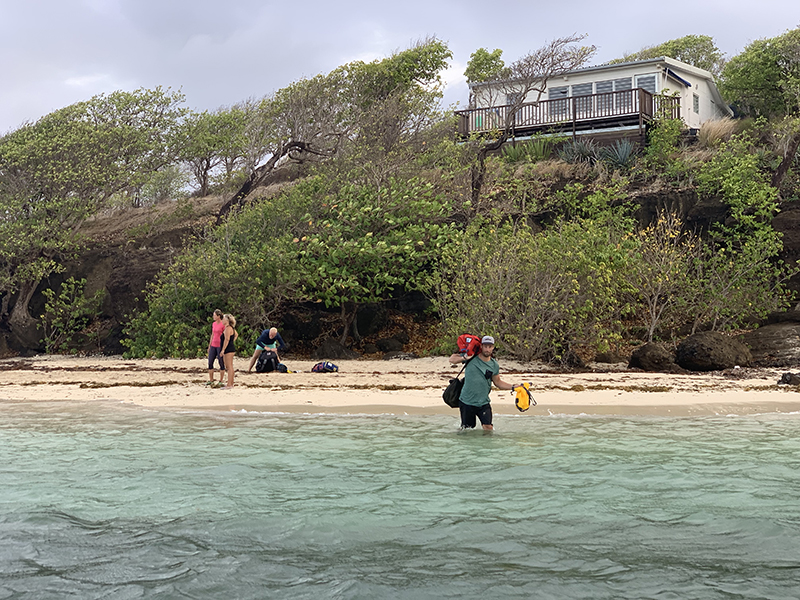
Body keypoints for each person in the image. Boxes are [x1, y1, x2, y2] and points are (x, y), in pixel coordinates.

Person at [448, 335, 520, 432]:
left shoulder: (494, 365)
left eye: (489, 346)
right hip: (466, 402)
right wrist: (465, 357)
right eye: (485, 346)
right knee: (467, 430)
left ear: (493, 347)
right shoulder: (471, 358)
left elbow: (498, 382)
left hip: (483, 403)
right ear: (481, 346)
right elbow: (452, 359)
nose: (487, 349)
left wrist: (513, 387)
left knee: (488, 428)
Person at [206, 309, 226, 386]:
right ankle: (211, 380)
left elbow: (225, 335)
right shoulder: (214, 324)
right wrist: (209, 345)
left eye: (214, 315)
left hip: (219, 345)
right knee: (210, 362)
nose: (213, 317)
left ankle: (221, 380)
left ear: (218, 316)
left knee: (221, 362)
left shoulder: (223, 324)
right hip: (213, 345)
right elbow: (212, 334)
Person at [220, 314, 239, 389]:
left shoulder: (228, 328)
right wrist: (232, 341)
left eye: (224, 319)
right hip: (230, 348)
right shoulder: (231, 328)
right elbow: (236, 335)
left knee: (229, 367)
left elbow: (227, 339)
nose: (222, 320)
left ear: (227, 320)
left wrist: (223, 349)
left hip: (228, 349)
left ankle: (229, 384)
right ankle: (230, 383)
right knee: (229, 366)